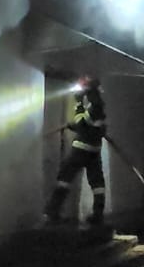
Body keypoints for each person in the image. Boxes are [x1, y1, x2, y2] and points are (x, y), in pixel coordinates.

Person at [44, 76, 108, 226]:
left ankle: (53, 211)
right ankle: (98, 214)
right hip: (94, 151)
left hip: (81, 149)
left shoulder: (95, 106)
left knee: (64, 178)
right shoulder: (98, 107)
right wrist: (73, 125)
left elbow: (82, 123)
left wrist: (78, 103)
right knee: (97, 183)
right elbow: (90, 127)